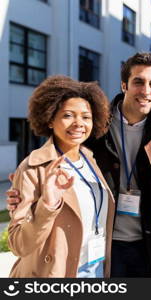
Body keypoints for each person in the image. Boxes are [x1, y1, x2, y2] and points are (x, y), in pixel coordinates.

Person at [6, 52, 151, 278]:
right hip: (97, 246)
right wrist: (32, 193)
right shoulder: (95, 127)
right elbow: (56, 154)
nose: (146, 91)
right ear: (124, 85)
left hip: (142, 245)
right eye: (138, 82)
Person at [8, 75, 114, 277]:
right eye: (68, 115)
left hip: (96, 268)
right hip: (55, 273)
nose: (78, 123)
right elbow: (18, 244)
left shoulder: (90, 159)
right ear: (50, 119)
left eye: (86, 116)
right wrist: (47, 206)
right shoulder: (33, 167)